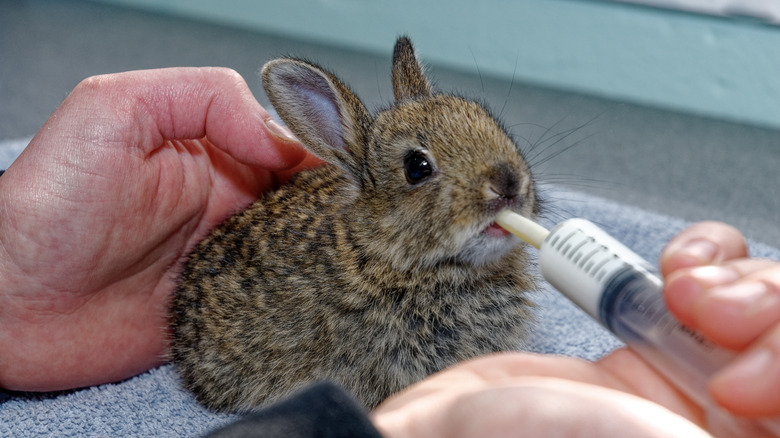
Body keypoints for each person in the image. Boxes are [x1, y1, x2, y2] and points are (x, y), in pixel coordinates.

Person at [0, 67, 778, 437]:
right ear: (367, 181)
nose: (506, 188)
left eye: (503, 167)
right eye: (421, 171)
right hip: (246, 353)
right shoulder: (352, 282)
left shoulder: (498, 261)